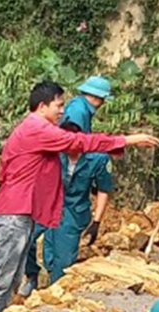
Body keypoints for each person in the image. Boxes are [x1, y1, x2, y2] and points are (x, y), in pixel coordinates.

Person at [0, 81, 159, 312]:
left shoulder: (34, 130)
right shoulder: (37, 129)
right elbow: (78, 142)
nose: (64, 110)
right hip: (15, 213)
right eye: (59, 105)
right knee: (0, 278)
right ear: (42, 106)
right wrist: (127, 140)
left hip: (20, 211)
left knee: (11, 278)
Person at [22, 75, 114, 296]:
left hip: (73, 209)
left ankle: (54, 295)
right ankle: (33, 276)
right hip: (50, 202)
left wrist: (97, 221)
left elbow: (104, 188)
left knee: (62, 261)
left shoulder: (97, 158)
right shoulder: (72, 122)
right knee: (25, 240)